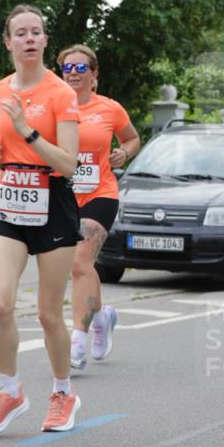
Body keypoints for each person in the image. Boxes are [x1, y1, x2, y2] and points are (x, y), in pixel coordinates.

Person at [0, 5, 82, 434]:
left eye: (36, 32)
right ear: (9, 42)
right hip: (9, 200)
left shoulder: (61, 94)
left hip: (52, 200)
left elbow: (70, 164)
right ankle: (10, 392)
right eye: (21, 33)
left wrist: (28, 131)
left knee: (48, 314)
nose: (30, 39)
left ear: (45, 40)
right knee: (0, 304)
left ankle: (63, 393)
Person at [56, 44, 140, 371]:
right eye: (67, 68)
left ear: (94, 75)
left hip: (100, 194)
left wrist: (124, 152)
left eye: (81, 68)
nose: (73, 73)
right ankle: (102, 317)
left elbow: (132, 138)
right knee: (82, 267)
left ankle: (78, 340)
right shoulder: (52, 107)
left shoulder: (109, 109)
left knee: (80, 262)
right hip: (64, 196)